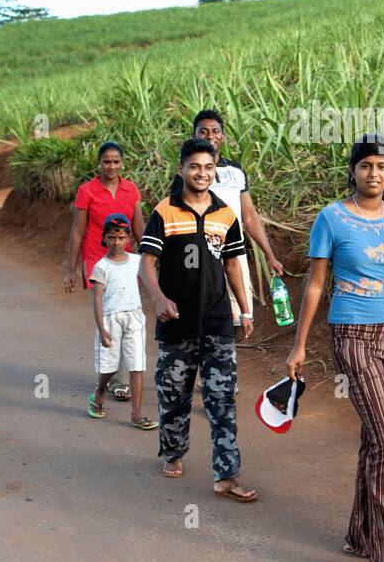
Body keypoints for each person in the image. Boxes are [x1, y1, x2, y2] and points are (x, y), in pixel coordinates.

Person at [285, 134, 384, 562]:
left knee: (374, 441)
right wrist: (299, 345)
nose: (374, 174)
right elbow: (316, 285)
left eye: (382, 167)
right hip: (352, 334)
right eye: (365, 166)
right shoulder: (330, 218)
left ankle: (358, 533)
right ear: (353, 171)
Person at [140, 139, 258, 496]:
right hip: (176, 322)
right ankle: (173, 451)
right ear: (182, 170)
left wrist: (245, 308)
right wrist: (158, 298)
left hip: (218, 320)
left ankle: (227, 475)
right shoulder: (165, 211)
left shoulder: (225, 214)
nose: (201, 173)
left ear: (215, 169)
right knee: (173, 394)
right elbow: (146, 263)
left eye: (208, 167)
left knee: (221, 399)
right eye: (194, 167)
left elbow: (234, 264)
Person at [177, 110, 285, 328]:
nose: (210, 135)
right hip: (201, 254)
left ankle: (227, 360)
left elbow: (249, 216)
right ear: (195, 136)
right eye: (203, 131)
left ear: (223, 136)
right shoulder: (188, 173)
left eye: (216, 131)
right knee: (204, 318)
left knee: (239, 316)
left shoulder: (236, 170)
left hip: (234, 251)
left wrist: (270, 255)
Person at [64, 141, 144, 403]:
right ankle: (119, 380)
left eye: (116, 161)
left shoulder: (131, 189)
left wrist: (148, 263)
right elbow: (77, 231)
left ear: (122, 163)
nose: (111, 166)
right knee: (110, 316)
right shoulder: (87, 191)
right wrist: (70, 270)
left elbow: (140, 229)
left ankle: (111, 375)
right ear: (99, 163)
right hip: (97, 262)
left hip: (126, 262)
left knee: (125, 314)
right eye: (106, 161)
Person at [87, 213, 156, 429]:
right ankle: (99, 392)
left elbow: (152, 281)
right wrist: (102, 328)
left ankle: (136, 414)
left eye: (121, 238)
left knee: (137, 365)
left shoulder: (137, 261)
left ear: (129, 239)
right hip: (110, 319)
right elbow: (97, 299)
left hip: (134, 317)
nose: (116, 243)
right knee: (110, 366)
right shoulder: (101, 266)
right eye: (111, 238)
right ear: (104, 239)